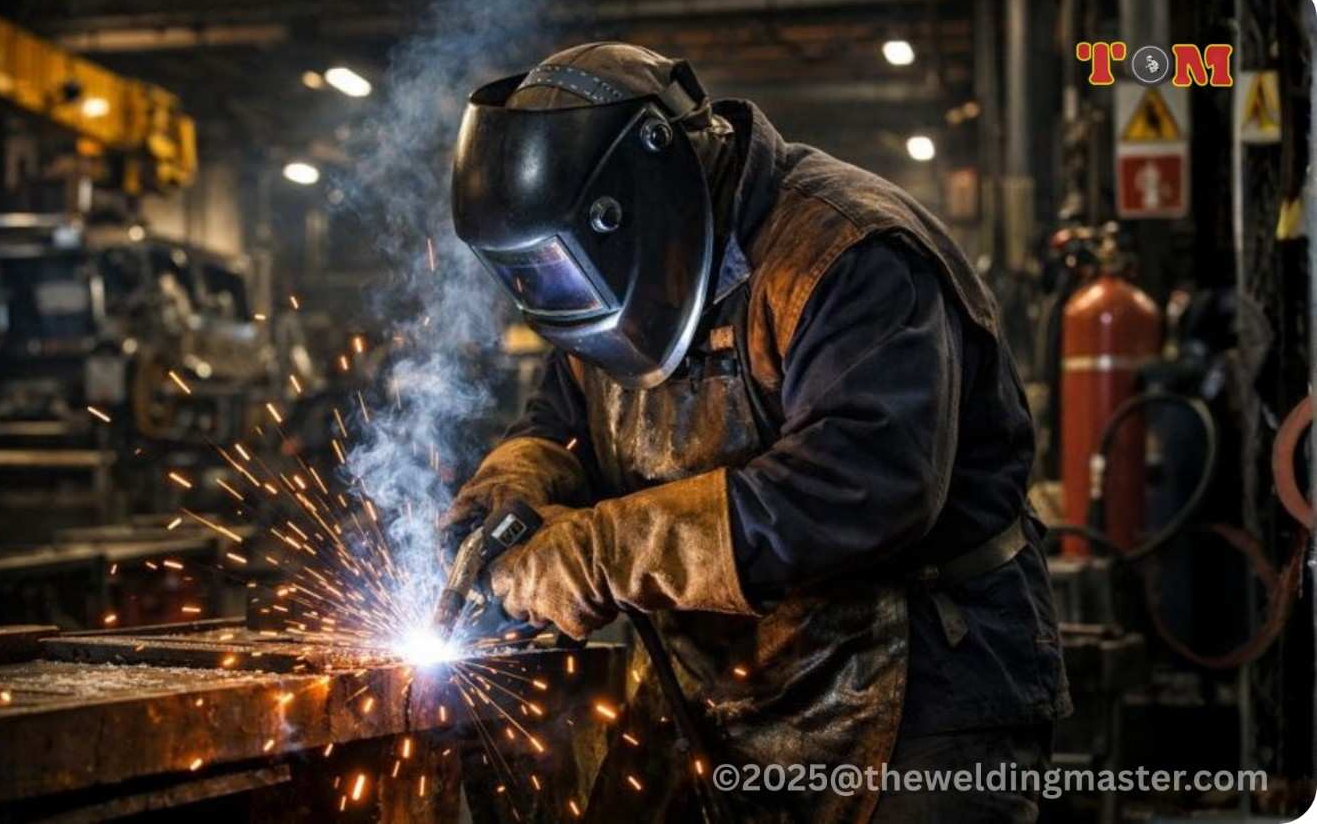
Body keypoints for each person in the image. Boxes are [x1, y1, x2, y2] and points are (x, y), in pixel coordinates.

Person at [446, 42, 1070, 823]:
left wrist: (598, 553)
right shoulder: (615, 279)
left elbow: (860, 488)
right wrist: (517, 478)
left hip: (916, 678)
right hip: (728, 683)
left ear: (649, 192)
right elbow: (565, 418)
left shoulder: (848, 253)